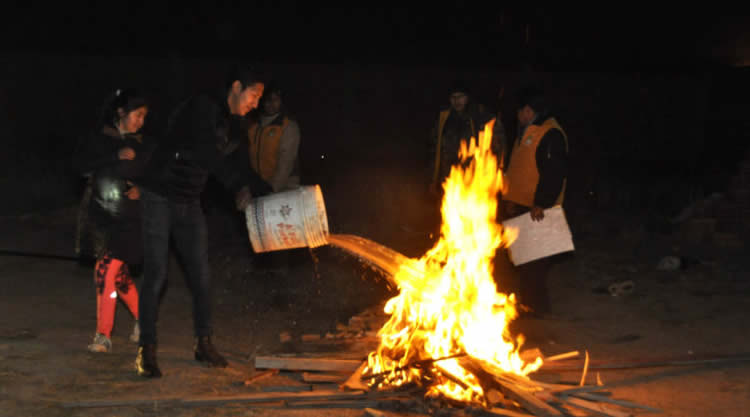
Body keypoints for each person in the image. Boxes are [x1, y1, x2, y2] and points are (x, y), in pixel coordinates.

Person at [134, 67, 271, 378]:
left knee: (201, 275)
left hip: (189, 201)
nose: (255, 104)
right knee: (156, 275)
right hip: (159, 194)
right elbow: (210, 156)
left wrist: (266, 192)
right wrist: (237, 187)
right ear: (236, 87)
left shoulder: (237, 124)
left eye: (259, 98)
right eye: (254, 96)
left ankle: (203, 344)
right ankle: (146, 350)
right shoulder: (202, 108)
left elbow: (241, 165)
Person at [72, 88, 153, 353]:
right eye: (137, 115)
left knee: (105, 270)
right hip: (101, 217)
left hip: (130, 219)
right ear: (121, 112)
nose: (141, 121)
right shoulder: (101, 139)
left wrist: (143, 189)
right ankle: (144, 321)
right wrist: (112, 157)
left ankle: (103, 335)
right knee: (119, 277)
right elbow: (82, 166)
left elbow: (157, 177)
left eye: (144, 116)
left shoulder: (142, 145)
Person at [499, 85, 569, 316]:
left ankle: (539, 311)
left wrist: (542, 202)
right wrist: (510, 197)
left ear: (529, 111)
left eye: (521, 111)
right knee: (523, 262)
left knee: (536, 265)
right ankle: (530, 306)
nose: (518, 115)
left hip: (539, 209)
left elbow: (554, 172)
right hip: (520, 205)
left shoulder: (550, 133)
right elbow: (519, 167)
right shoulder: (527, 131)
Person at [428, 81, 495, 196]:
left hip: (473, 179)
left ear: (468, 97)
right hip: (448, 179)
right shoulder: (444, 118)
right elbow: (434, 149)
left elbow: (494, 148)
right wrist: (433, 179)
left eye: (461, 97)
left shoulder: (480, 115)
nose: (456, 101)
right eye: (453, 97)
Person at [248, 83, 301, 193]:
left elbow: (286, 162)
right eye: (268, 99)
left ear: (281, 101)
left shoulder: (288, 126)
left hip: (282, 188)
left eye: (275, 99)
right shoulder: (253, 125)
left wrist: (272, 188)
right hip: (257, 187)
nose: (271, 103)